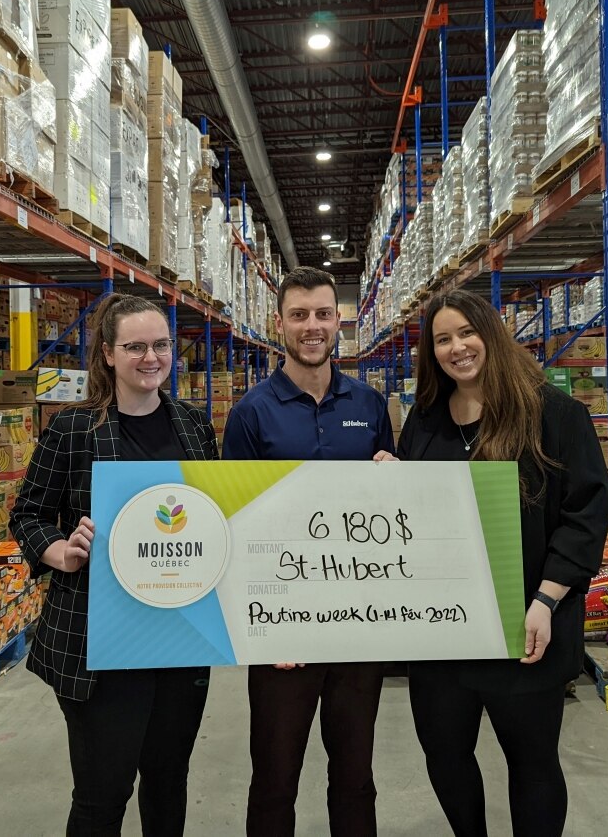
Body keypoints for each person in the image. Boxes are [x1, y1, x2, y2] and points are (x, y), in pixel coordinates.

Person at [386, 289, 608, 837]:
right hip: (443, 634)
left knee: (532, 765)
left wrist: (547, 601)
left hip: (522, 627)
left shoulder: (553, 413)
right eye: (442, 339)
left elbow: (585, 514)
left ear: (491, 334)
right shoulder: (427, 419)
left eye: (467, 332)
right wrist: (390, 480)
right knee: (445, 756)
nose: (457, 347)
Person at [9, 293, 220, 837]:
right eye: (135, 347)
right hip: (98, 644)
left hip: (178, 639)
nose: (150, 358)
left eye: (161, 345)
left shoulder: (195, 428)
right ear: (107, 354)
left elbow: (214, 518)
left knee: (169, 784)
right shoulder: (74, 429)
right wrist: (60, 551)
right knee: (103, 795)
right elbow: (29, 514)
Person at [221, 265, 395, 837]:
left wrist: (394, 478)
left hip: (357, 626)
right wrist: (265, 629)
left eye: (323, 314)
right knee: (274, 780)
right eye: (299, 316)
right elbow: (236, 527)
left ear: (338, 321)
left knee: (355, 776)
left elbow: (389, 513)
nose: (312, 326)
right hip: (282, 634)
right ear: (280, 324)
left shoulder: (370, 406)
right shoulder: (251, 413)